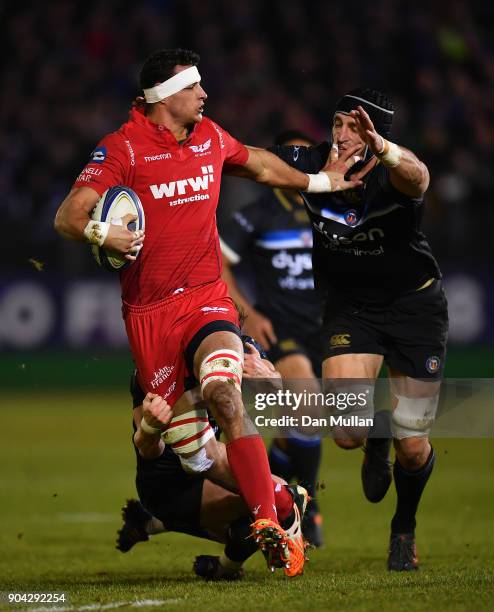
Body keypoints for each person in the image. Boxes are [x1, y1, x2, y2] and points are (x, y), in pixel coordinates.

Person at [53, 48, 365, 574]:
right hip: (151, 316)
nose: (204, 95)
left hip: (206, 299)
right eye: (193, 87)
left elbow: (262, 163)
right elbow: (68, 215)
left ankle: (272, 524)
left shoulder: (211, 137)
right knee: (197, 454)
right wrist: (101, 231)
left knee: (223, 391)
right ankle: (287, 501)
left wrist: (322, 181)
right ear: (163, 97)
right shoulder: (122, 148)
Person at [269, 88, 448, 571]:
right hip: (352, 310)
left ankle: (403, 527)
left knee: (414, 447)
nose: (341, 133)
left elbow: (420, 176)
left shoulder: (393, 177)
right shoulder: (309, 161)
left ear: (375, 137)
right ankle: (375, 436)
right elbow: (255, 161)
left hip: (415, 309)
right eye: (339, 122)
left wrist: (387, 151)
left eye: (356, 126)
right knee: (346, 433)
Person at [117, 338, 308, 580]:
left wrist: (274, 382)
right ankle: (220, 565)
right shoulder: (159, 370)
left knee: (251, 521)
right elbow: (148, 450)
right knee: (277, 499)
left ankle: (153, 526)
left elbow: (282, 402)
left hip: (209, 471)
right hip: (170, 486)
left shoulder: (238, 347)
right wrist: (149, 427)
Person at [219, 130, 325, 547]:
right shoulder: (258, 214)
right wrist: (250, 313)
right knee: (310, 408)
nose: (301, 163)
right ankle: (310, 507)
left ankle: (279, 489)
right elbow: (218, 262)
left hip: (330, 331)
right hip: (283, 332)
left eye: (307, 156)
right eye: (292, 156)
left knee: (294, 432)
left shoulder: (330, 211)